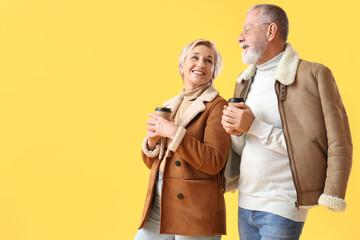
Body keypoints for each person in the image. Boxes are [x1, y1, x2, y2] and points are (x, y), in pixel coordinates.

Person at [221, 4, 352, 240]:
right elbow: (243, 147)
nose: (240, 37)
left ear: (270, 32)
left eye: (247, 30)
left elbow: (328, 143)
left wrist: (254, 126)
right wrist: (237, 132)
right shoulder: (244, 81)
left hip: (282, 207)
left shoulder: (314, 75)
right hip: (246, 204)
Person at [135, 39, 231, 240]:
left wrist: (173, 132)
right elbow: (151, 163)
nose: (201, 64)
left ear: (214, 71)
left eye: (209, 61)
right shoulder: (171, 105)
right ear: (182, 66)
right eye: (194, 57)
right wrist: (152, 142)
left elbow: (214, 161)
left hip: (195, 206)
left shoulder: (217, 106)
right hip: (160, 200)